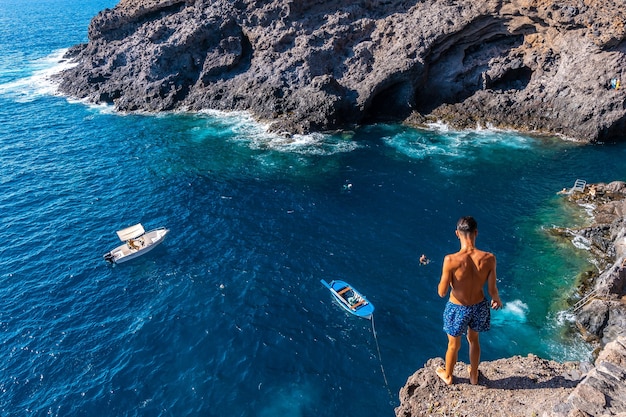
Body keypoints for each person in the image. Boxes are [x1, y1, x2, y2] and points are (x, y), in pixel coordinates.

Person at [436, 216, 502, 385]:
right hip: (479, 305)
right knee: (474, 340)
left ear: (457, 234)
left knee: (453, 344)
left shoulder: (450, 260)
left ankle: (448, 375)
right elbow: (492, 289)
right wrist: (496, 299)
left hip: (457, 307)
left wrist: (450, 280)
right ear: (476, 233)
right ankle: (473, 375)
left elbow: (442, 292)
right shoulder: (489, 258)